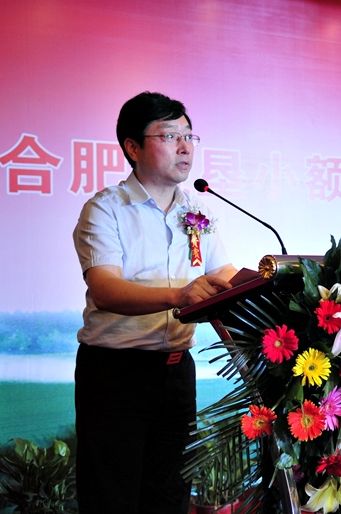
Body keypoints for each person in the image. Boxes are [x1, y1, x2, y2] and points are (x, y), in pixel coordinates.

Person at [73, 92, 237, 513]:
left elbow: (224, 276)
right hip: (115, 374)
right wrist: (179, 296)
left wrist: (277, 285)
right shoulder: (105, 209)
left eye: (189, 136)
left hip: (177, 372)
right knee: (112, 499)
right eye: (169, 136)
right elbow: (105, 289)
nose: (185, 147)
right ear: (133, 147)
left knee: (171, 497)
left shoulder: (198, 210)